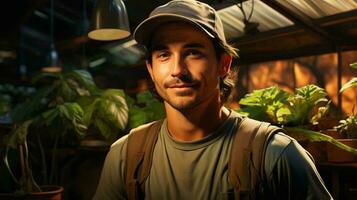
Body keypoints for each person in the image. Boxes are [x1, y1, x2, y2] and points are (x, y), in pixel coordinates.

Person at [93, 0, 332, 199]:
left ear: (223, 64)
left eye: (193, 52)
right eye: (164, 54)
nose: (177, 69)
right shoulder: (125, 156)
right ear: (151, 69)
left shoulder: (274, 155)